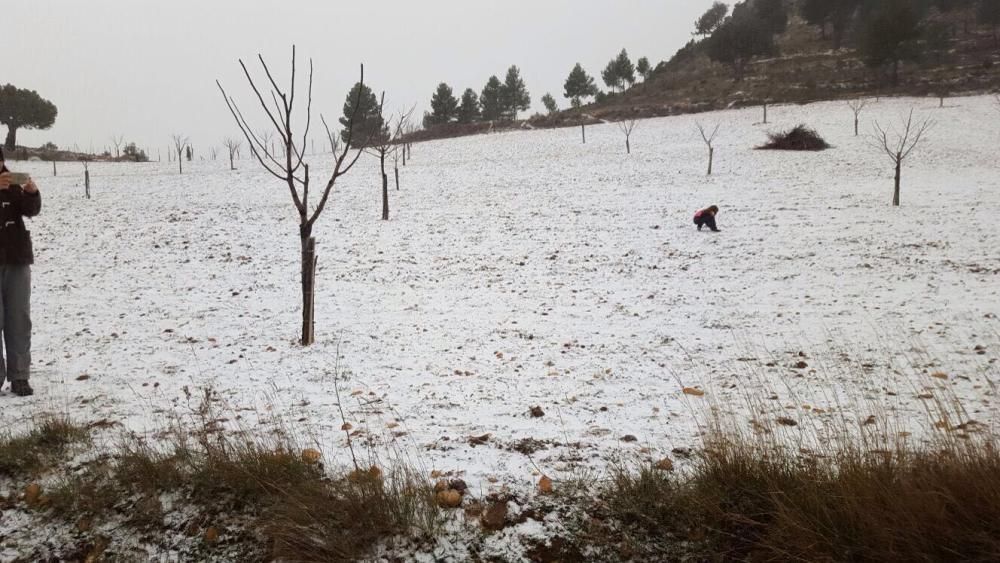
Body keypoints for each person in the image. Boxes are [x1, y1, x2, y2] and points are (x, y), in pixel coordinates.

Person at [0, 147, 41, 396]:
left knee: (18, 319)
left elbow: (32, 210)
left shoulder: (14, 183)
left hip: (17, 259)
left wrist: (32, 192)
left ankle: (19, 377)